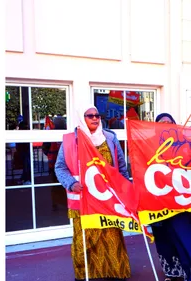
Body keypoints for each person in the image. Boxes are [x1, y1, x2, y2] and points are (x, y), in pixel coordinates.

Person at [54, 105, 131, 281]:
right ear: (82, 118)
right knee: (84, 240)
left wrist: (126, 189)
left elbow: (120, 165)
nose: (95, 118)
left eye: (97, 115)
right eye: (90, 115)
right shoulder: (70, 141)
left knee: (111, 237)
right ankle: (85, 275)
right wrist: (71, 183)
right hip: (83, 201)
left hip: (108, 199)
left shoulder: (110, 138)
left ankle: (115, 272)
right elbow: (60, 167)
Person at [151, 113, 191, 281]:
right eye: (161, 123)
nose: (165, 125)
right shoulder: (149, 145)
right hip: (159, 203)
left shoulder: (186, 143)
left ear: (174, 124)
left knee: (186, 239)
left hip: (183, 203)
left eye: (168, 122)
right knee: (165, 240)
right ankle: (172, 273)